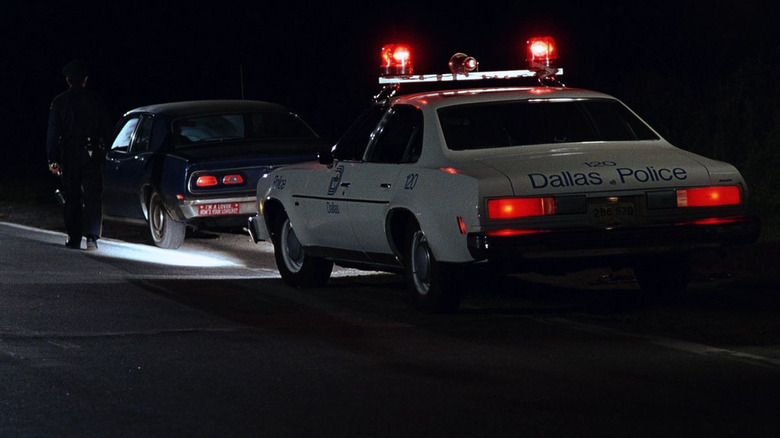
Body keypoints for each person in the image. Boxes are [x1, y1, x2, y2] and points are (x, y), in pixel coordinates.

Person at [46, 59, 113, 250]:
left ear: (68, 79)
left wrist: (52, 158)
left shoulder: (59, 102)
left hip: (70, 154)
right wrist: (108, 148)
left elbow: (53, 132)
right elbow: (107, 127)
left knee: (72, 196)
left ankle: (74, 238)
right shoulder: (96, 100)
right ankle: (92, 238)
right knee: (93, 195)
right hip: (92, 152)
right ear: (85, 80)